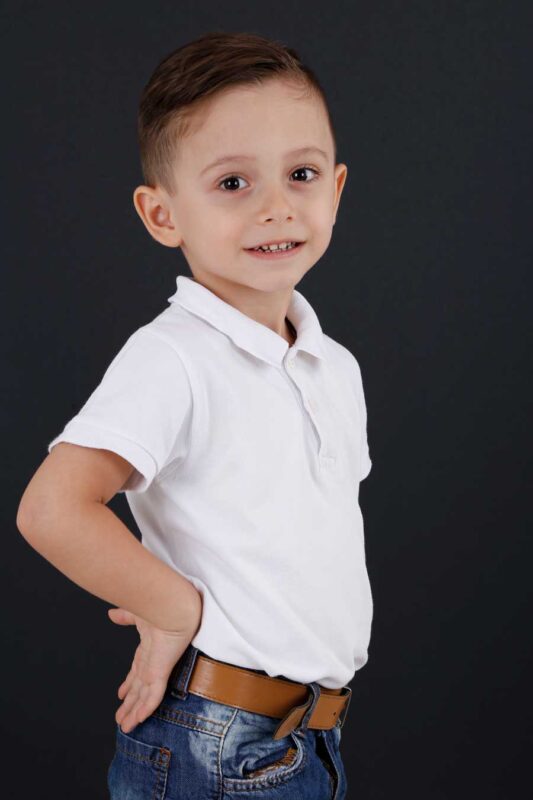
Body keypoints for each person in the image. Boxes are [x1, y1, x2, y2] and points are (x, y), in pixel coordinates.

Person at [16, 30, 373, 800]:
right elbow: (52, 508)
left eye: (301, 174)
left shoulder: (333, 365)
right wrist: (171, 606)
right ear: (162, 214)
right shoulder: (174, 357)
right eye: (233, 183)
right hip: (218, 740)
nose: (277, 206)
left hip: (308, 735)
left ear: (336, 189)